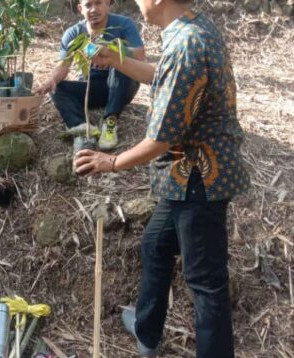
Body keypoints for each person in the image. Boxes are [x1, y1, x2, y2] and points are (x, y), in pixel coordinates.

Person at [73, 0, 250, 357]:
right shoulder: (190, 28)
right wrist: (116, 59)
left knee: (206, 284)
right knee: (156, 245)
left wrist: (111, 162)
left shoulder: (187, 43)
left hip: (201, 177)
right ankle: (147, 330)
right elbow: (165, 77)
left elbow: (162, 138)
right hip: (184, 177)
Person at [35, 0, 145, 150]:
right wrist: (52, 80)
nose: (93, 9)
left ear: (108, 3)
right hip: (93, 87)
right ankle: (82, 127)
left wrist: (111, 52)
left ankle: (110, 123)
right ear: (80, 9)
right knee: (57, 89)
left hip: (124, 84)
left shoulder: (124, 24)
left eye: (98, 3)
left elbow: (139, 55)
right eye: (88, 5)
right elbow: (63, 65)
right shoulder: (73, 33)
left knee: (120, 65)